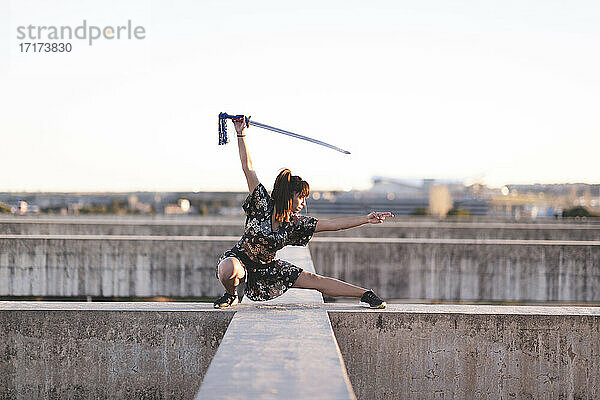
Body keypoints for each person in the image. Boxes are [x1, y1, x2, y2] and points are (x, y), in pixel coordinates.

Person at [213, 116, 393, 309]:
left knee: (314, 279)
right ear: (288, 196)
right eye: (301, 197)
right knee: (228, 268)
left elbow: (334, 225)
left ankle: (365, 294)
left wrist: (366, 219)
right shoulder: (261, 202)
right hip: (240, 258)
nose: (303, 202)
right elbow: (248, 168)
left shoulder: (295, 223)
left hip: (268, 267)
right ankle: (231, 295)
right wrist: (241, 133)